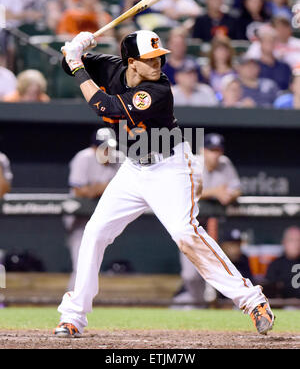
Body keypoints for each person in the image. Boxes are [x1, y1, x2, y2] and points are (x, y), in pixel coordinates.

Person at [53, 29, 274, 337]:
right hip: (133, 169)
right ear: (131, 63)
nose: (159, 63)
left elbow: (106, 106)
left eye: (160, 57)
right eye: (151, 59)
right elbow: (69, 65)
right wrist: (75, 50)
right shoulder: (109, 66)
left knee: (185, 232)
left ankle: (253, 301)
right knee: (94, 232)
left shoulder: (158, 89)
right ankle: (73, 317)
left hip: (169, 166)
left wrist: (77, 65)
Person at [173, 133, 243, 308]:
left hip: (217, 227)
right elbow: (183, 190)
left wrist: (229, 194)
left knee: (225, 266)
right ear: (203, 150)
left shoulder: (225, 164)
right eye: (211, 150)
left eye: (218, 150)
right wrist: (215, 192)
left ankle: (230, 304)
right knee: (190, 275)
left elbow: (236, 189)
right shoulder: (193, 162)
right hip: (192, 226)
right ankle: (198, 304)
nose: (215, 154)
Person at [63, 129, 120, 290]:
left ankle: (75, 302)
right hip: (79, 220)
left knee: (90, 265)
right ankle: (72, 303)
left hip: (103, 219)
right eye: (103, 148)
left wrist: (97, 188)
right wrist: (107, 187)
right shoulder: (84, 157)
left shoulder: (117, 160)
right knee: (82, 264)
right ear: (94, 147)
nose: (108, 152)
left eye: (110, 148)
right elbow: (80, 191)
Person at [263, 226, 300, 299]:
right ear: (284, 242)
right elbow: (269, 290)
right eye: (292, 240)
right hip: (283, 307)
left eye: (298, 240)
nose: (296, 244)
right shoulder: (275, 265)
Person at [256, 24, 292, 91]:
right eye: (266, 41)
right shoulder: (254, 66)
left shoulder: (284, 66)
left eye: (272, 41)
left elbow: (289, 87)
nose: (269, 44)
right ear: (260, 43)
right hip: (260, 100)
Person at [202, 36, 237, 100]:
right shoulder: (207, 72)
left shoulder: (235, 71)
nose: (222, 53)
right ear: (213, 52)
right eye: (219, 50)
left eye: (224, 50)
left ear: (229, 52)